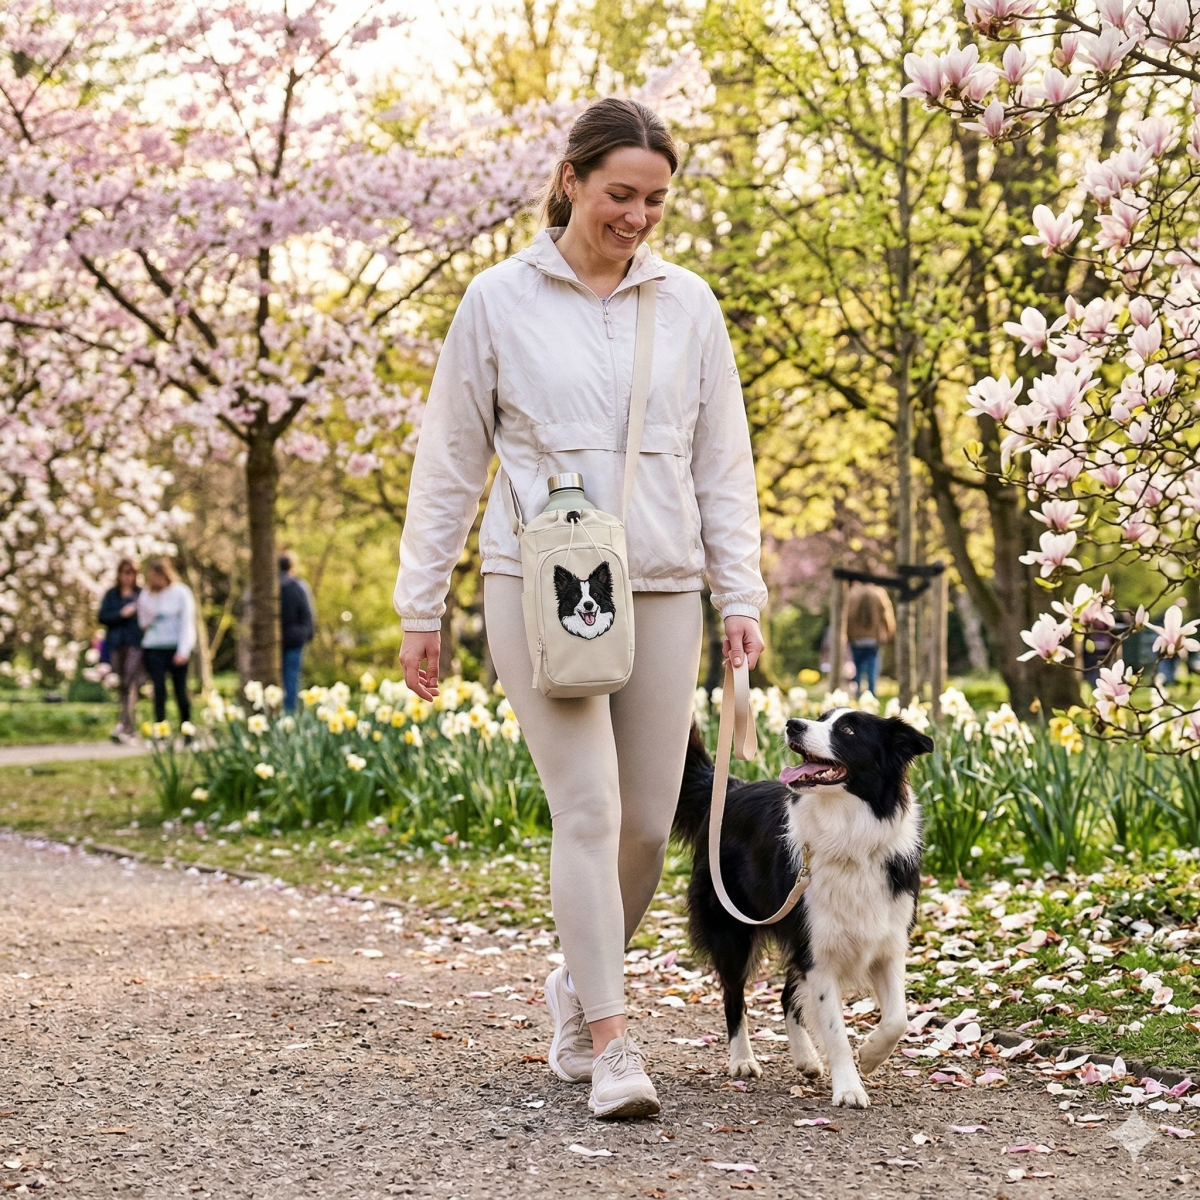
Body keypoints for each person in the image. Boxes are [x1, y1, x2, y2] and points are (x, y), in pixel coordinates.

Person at [394, 98, 767, 1120]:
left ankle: (574, 985)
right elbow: (450, 461)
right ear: (570, 179)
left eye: (654, 199)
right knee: (588, 808)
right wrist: (419, 604)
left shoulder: (689, 305)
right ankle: (610, 1039)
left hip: (660, 579)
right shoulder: (497, 301)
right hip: (537, 580)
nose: (638, 215)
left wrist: (742, 593)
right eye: (619, 194)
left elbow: (721, 462)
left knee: (649, 819)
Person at [137, 558, 196, 729]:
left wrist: (183, 650)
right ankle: (160, 727)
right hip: (154, 647)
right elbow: (143, 623)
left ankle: (187, 727)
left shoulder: (181, 593)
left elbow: (187, 623)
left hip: (175, 647)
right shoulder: (147, 594)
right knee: (159, 690)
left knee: (180, 691)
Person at [98, 559, 144, 741]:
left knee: (130, 680)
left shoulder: (141, 594)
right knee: (121, 684)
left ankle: (124, 725)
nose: (127, 577)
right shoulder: (112, 595)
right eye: (124, 572)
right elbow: (102, 616)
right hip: (116, 643)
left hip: (135, 643)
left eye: (131, 572)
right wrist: (121, 614)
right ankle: (127, 726)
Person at [845, 580, 895, 698]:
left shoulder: (852, 594)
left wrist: (847, 634)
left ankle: (857, 694)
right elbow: (886, 614)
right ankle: (871, 694)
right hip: (873, 638)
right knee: (872, 667)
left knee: (857, 667)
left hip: (856, 638)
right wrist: (889, 632)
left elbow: (846, 617)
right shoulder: (878, 593)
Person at [278, 553, 316, 712]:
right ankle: (290, 713)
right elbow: (309, 613)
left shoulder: (269, 586)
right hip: (295, 639)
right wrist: (307, 634)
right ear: (292, 567)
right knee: (291, 677)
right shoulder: (299, 586)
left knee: (280, 679)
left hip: (276, 641)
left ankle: (280, 714)